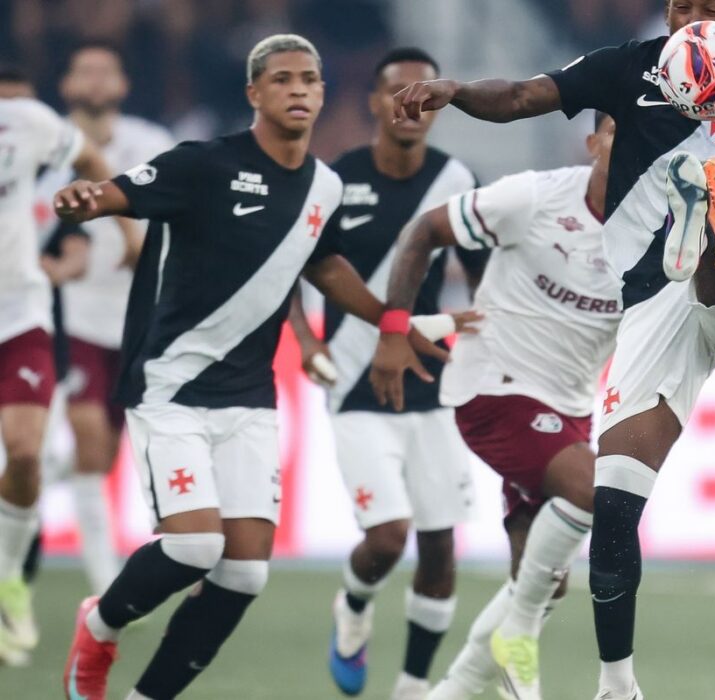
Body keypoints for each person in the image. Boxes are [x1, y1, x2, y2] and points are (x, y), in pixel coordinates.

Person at [388, 2, 715, 696]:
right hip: (652, 309)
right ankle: (616, 683)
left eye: (710, 7)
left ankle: (713, 217)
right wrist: (455, 92)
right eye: (681, 6)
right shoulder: (627, 68)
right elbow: (521, 96)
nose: (692, 16)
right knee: (613, 500)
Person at [53, 34, 441, 700]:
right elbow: (121, 192)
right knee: (195, 549)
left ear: (322, 93)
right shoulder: (203, 164)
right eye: (283, 79)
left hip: (250, 397)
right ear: (254, 93)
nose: (298, 90)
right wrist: (91, 200)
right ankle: (102, 625)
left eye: (309, 80)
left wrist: (390, 320)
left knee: (245, 576)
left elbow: (324, 263)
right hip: (171, 383)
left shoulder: (325, 184)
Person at [372, 111, 621, 700]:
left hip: (567, 407)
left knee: (539, 580)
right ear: (592, 143)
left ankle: (451, 692)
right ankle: (520, 654)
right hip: (493, 388)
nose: (633, 144)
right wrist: (392, 330)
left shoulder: (657, 230)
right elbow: (423, 232)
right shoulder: (533, 197)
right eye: (618, 131)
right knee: (594, 493)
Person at [287, 46, 486, 700]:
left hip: (431, 379)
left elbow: (487, 274)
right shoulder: (333, 180)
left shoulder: (459, 178)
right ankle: (354, 602)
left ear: (439, 102)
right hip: (353, 379)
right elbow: (286, 263)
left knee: (438, 547)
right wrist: (305, 340)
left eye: (425, 91)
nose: (411, 102)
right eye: (396, 90)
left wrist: (490, 330)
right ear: (374, 103)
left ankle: (411, 686)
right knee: (387, 537)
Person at [0, 65, 117, 667]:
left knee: (26, 453)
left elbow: (92, 160)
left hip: (20, 313)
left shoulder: (27, 123)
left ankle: (8, 581)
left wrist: (119, 218)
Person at [55, 41, 174, 596]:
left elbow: (183, 215)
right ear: (68, 84)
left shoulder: (152, 145)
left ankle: (26, 484)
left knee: (105, 455)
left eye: (108, 70)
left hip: (139, 319)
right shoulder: (43, 144)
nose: (97, 79)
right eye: (86, 69)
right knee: (86, 438)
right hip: (69, 316)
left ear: (123, 85)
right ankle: (104, 583)